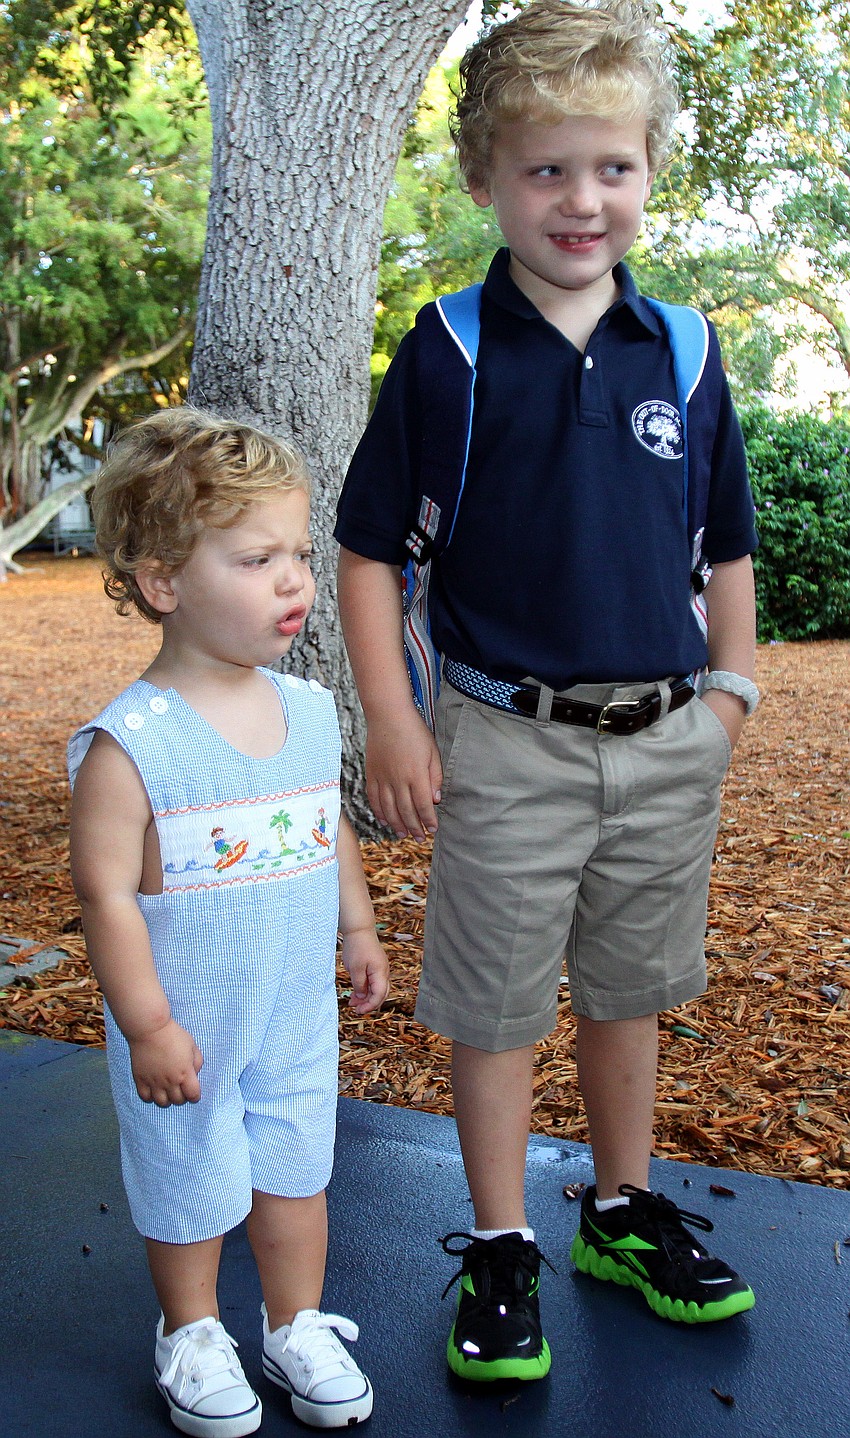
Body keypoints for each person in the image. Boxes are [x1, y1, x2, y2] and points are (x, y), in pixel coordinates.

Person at [335, 0, 758, 1386]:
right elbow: (365, 552)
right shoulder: (450, 352)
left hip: (662, 739)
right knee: (500, 1000)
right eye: (546, 169)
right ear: (483, 179)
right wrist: (394, 719)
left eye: (611, 166)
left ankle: (619, 1210)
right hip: (504, 739)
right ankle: (506, 1236)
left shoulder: (684, 352)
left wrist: (730, 697)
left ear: (647, 171)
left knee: (628, 987)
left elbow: (727, 545)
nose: (582, 199)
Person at [69, 408, 389, 1435]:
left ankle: (294, 1323)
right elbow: (106, 893)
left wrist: (358, 927)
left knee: (297, 1166)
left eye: (297, 552)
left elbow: (322, 823)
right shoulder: (133, 744)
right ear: (164, 581)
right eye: (257, 558)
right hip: (188, 1022)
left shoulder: (307, 710)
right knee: (189, 1175)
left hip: (293, 1007)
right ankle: (193, 1331)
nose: (294, 580)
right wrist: (149, 1023)